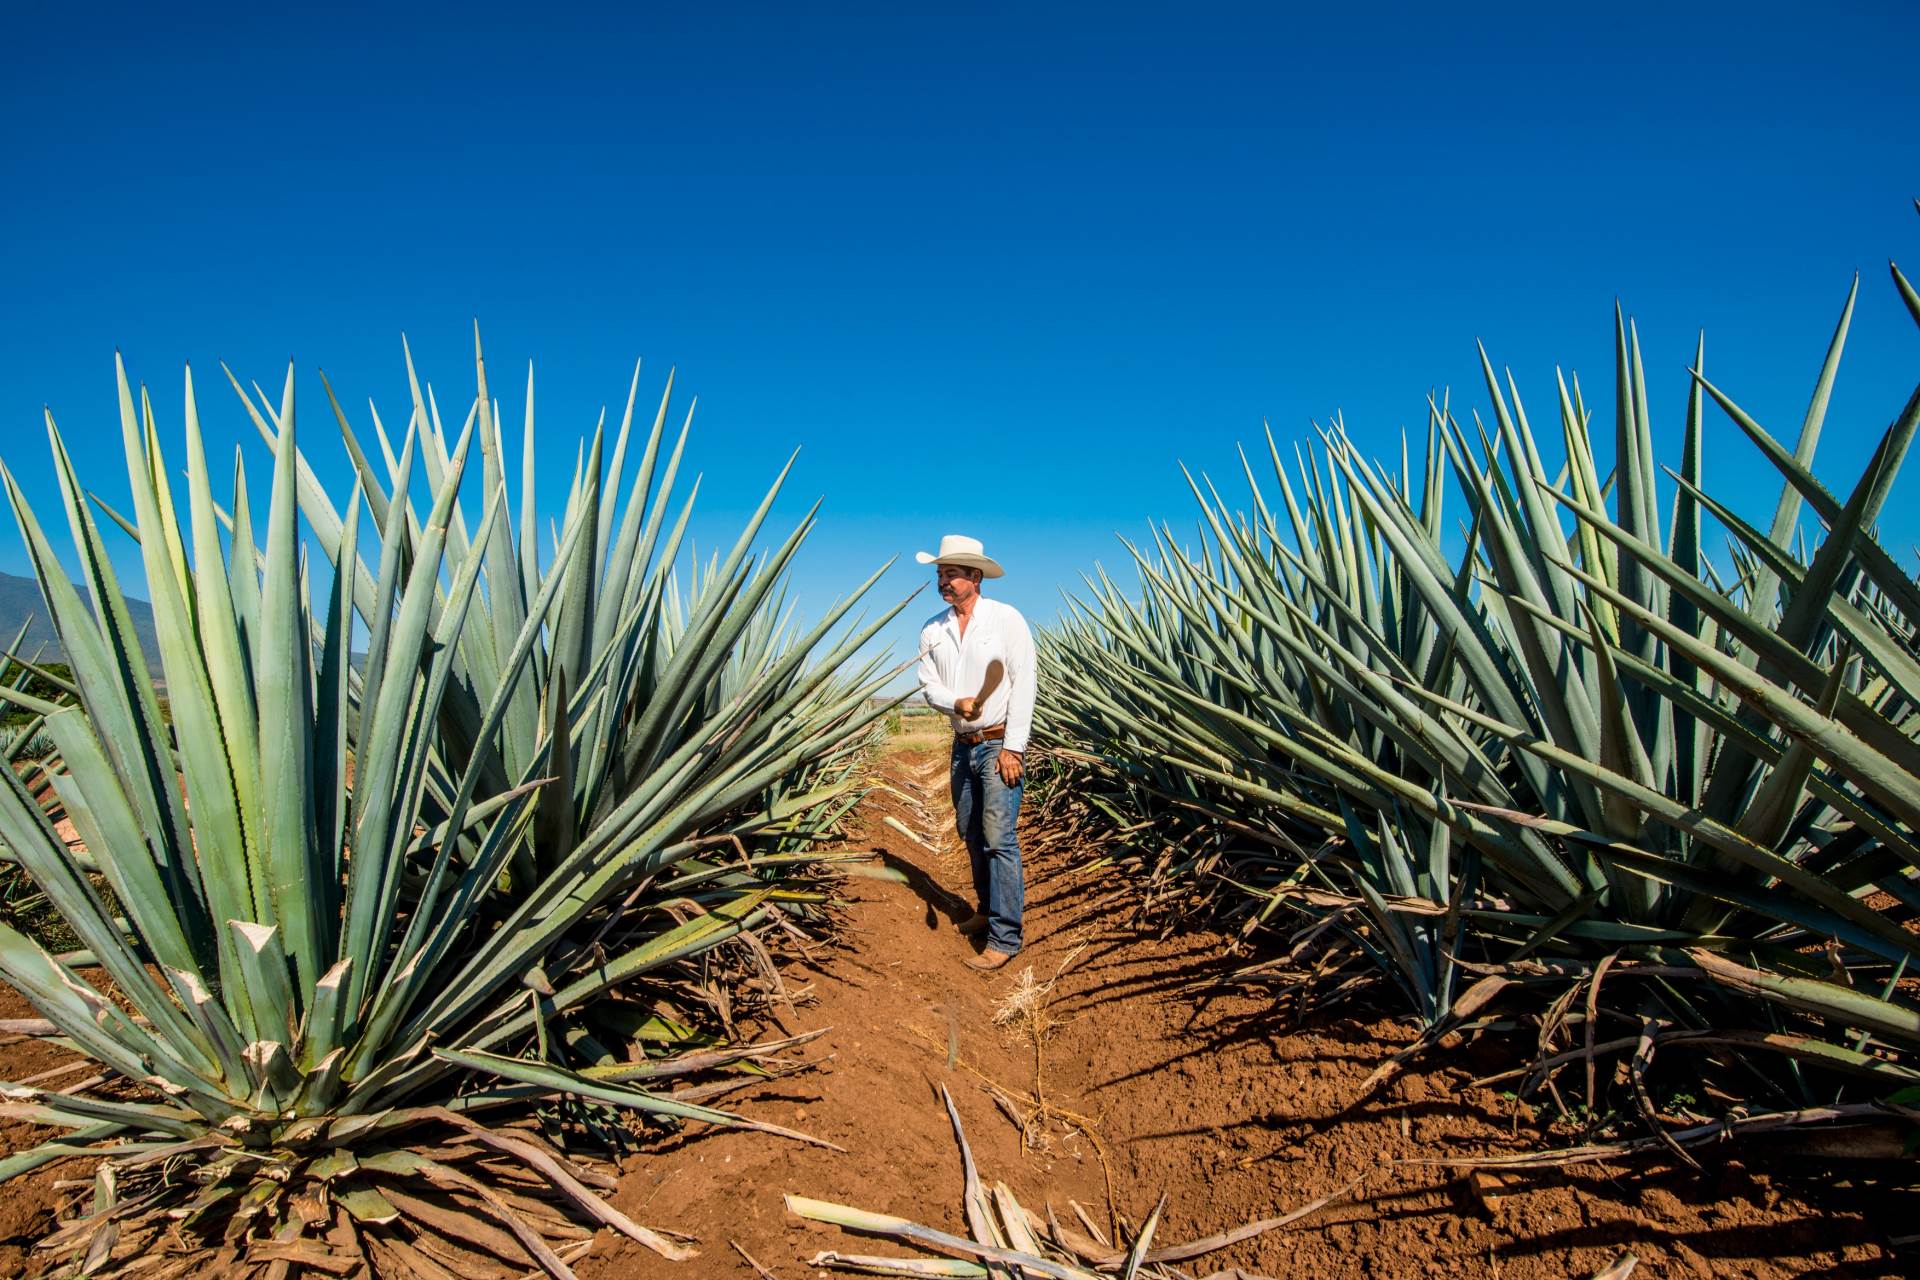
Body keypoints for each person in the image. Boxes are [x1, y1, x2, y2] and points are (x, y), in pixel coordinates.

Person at [914, 534, 1036, 972]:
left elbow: (1024, 685)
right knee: (970, 832)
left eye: (951, 574)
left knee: (1000, 840)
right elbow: (928, 685)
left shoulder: (1006, 620)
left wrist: (1014, 749)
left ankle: (1005, 937)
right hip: (961, 746)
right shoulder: (932, 628)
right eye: (940, 574)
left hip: (999, 744)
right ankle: (985, 910)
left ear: (976, 577)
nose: (943, 581)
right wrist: (956, 702)